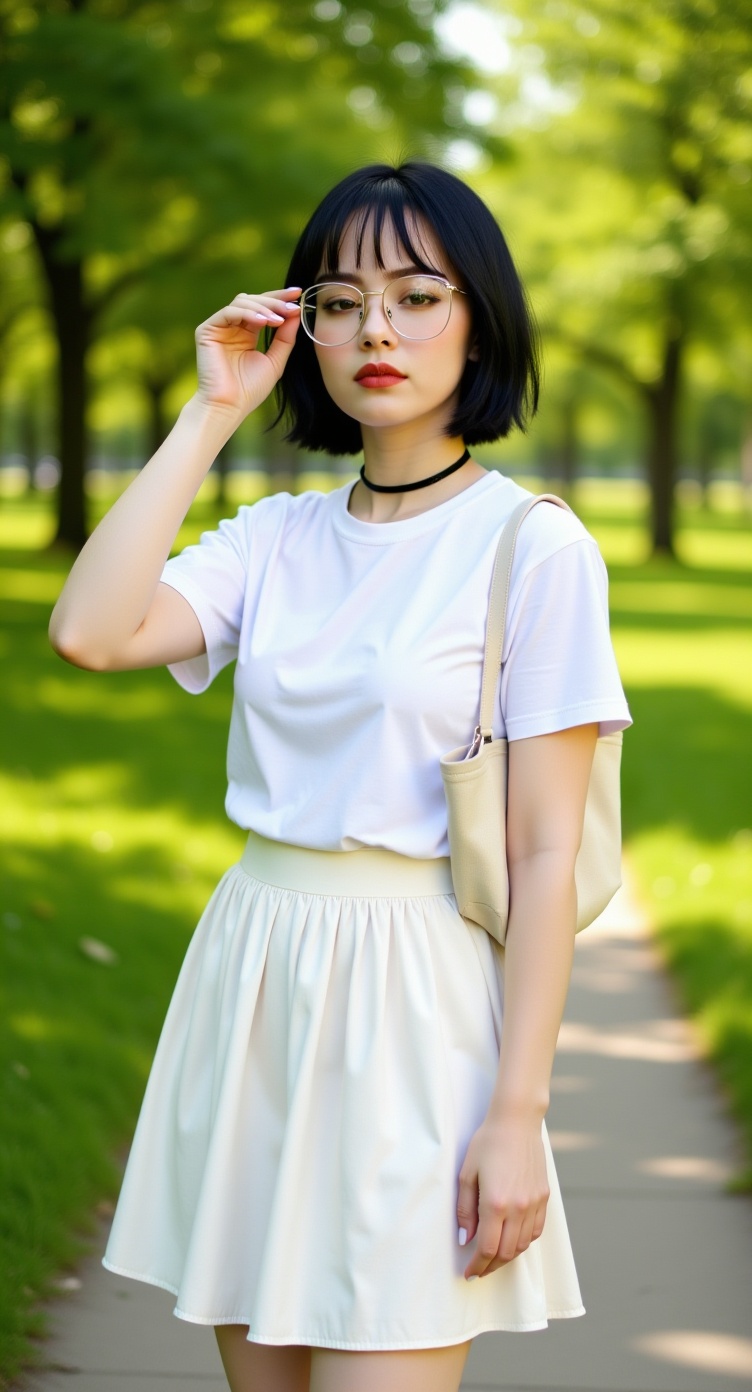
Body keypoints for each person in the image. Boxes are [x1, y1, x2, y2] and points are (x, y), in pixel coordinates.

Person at [49, 160, 632, 1392]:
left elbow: (540, 855)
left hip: (420, 1001)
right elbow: (92, 633)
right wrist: (209, 412)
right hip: (254, 978)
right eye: (339, 299)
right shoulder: (275, 539)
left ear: (478, 318)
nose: (376, 329)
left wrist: (517, 1113)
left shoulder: (530, 547)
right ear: (298, 325)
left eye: (418, 295)